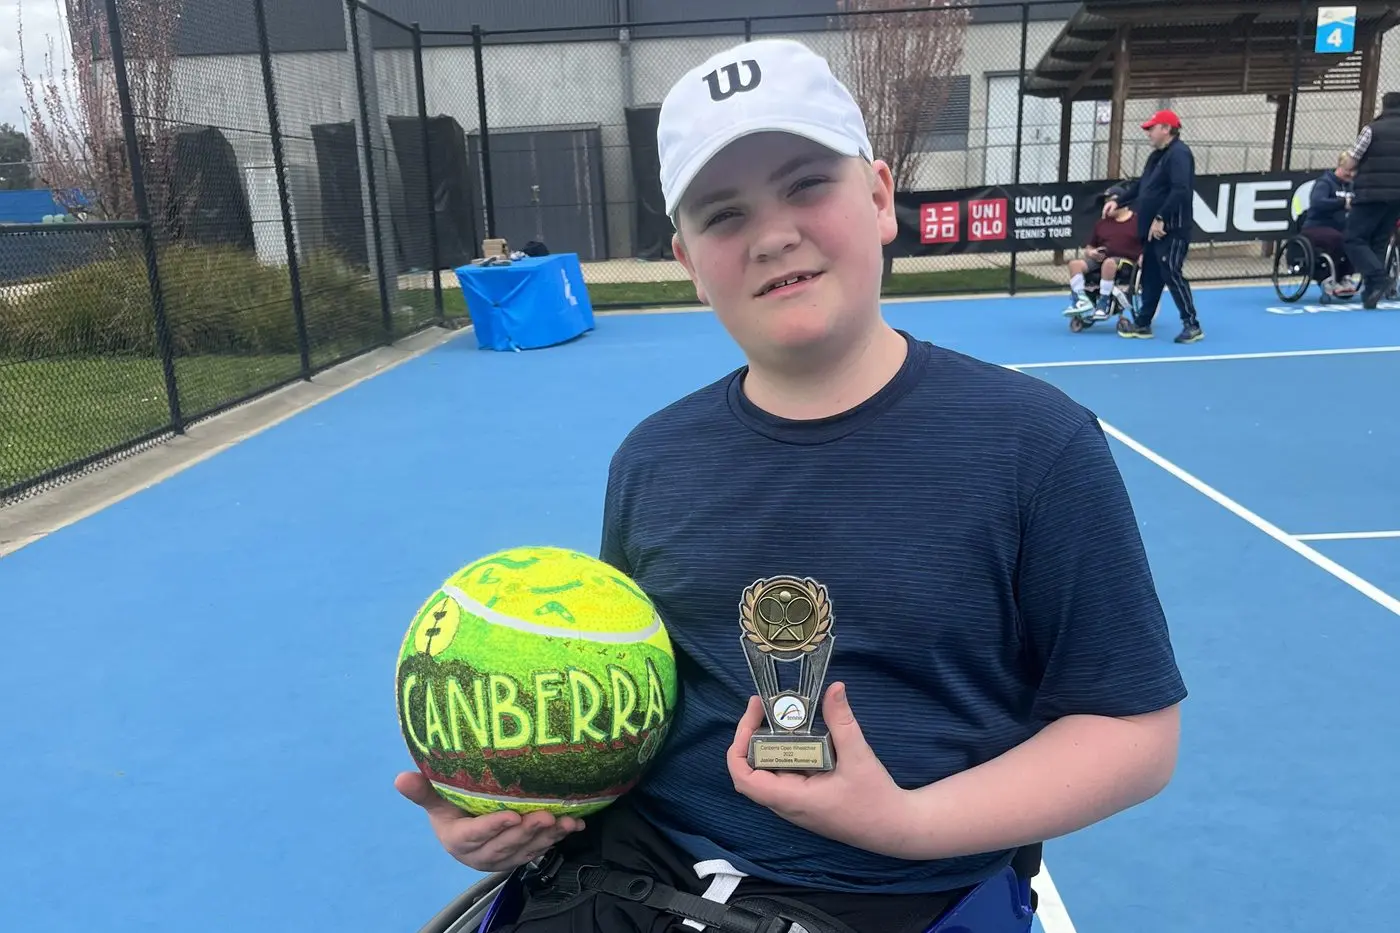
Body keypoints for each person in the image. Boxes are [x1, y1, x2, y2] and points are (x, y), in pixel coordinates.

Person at [397, 38, 1187, 933]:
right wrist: (523, 804)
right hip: (633, 878)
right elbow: (634, 697)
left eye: (808, 183)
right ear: (688, 262)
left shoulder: (1033, 445)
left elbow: (1133, 734)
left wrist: (906, 820)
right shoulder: (652, 461)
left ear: (882, 197)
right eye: (723, 215)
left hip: (900, 898)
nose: (773, 234)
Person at [1102, 109, 1203, 343]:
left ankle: (1192, 324)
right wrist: (1119, 200)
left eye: (1152, 128)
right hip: (1150, 232)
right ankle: (1143, 324)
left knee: (1171, 273)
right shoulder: (1156, 156)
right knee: (1150, 277)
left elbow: (1181, 189)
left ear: (1166, 129)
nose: (1148, 133)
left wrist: (1161, 218)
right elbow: (1142, 186)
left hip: (1172, 230)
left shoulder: (1180, 154)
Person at [1342, 91, 1400, 309]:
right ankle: (1371, 292)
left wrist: (1349, 167)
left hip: (1371, 193)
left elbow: (1351, 161)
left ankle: (1377, 278)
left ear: (1384, 106)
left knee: (1353, 238)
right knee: (1379, 240)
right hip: (1397, 196)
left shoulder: (1372, 129)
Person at [1063, 189, 1142, 320]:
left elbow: (1147, 243)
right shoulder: (1102, 223)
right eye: (1106, 202)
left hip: (1127, 263)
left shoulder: (1137, 221)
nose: (1107, 205)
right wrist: (1091, 252)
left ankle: (1103, 304)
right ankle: (1081, 300)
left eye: (1111, 201)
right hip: (1101, 259)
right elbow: (1089, 247)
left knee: (1109, 263)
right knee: (1074, 264)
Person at [1302, 153, 1358, 297]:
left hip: (1341, 227)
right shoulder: (1325, 183)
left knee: (1356, 238)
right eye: (1348, 170)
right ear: (1340, 166)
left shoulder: (1351, 186)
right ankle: (1329, 277)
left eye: (1354, 171)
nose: (1351, 174)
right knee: (1337, 239)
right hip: (1316, 226)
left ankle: (1346, 276)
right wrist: (1342, 203)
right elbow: (1318, 202)